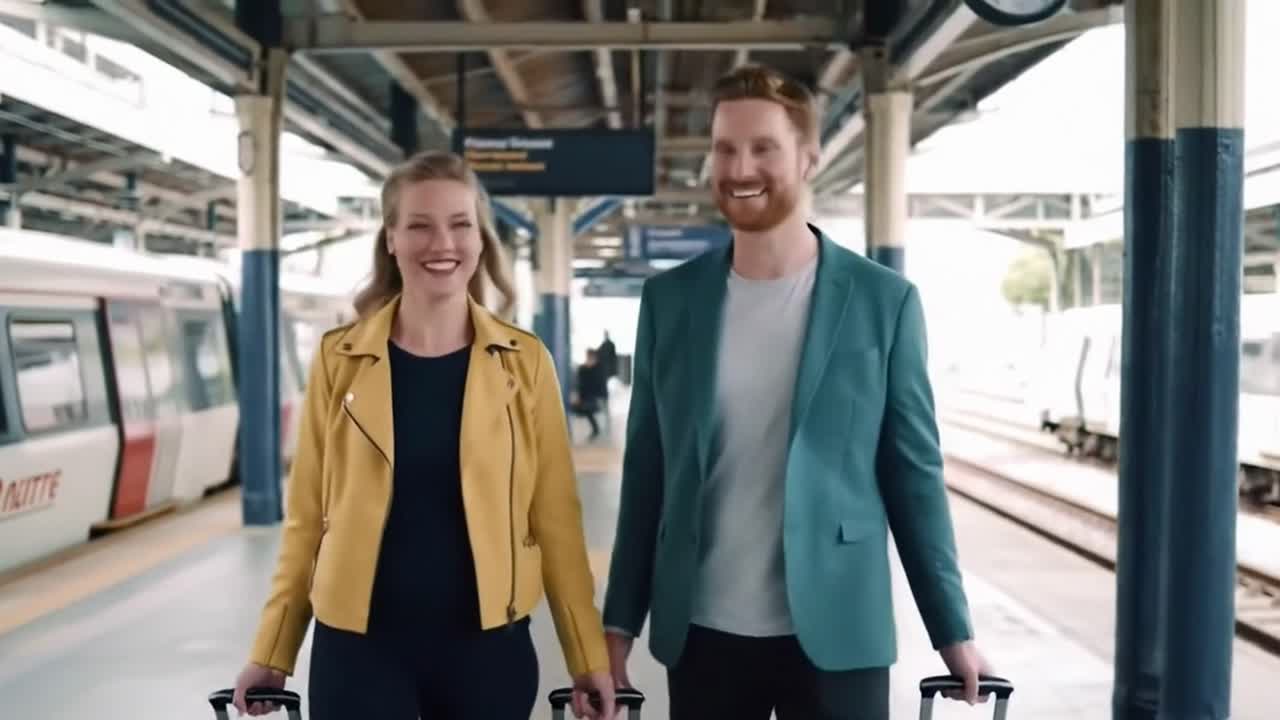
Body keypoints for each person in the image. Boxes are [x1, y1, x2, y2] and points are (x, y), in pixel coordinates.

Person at [600, 64, 993, 719]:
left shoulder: (883, 303)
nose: (740, 166)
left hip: (841, 632)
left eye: (763, 148)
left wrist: (952, 632)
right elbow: (648, 473)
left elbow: (912, 475)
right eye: (725, 149)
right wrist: (617, 629)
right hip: (702, 635)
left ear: (808, 159)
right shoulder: (669, 302)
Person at [230, 150, 615, 720]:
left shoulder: (524, 362)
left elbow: (555, 519)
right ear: (391, 239)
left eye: (461, 224)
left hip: (488, 649)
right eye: (419, 225)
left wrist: (588, 657)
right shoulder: (340, 359)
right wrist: (273, 649)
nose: (443, 243)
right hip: (358, 650)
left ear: (481, 240)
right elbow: (308, 517)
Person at [570, 348, 609, 439]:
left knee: (600, 412)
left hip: (597, 396)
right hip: (588, 397)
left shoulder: (599, 368)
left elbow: (598, 384)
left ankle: (600, 431)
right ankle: (596, 429)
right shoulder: (583, 369)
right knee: (584, 409)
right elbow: (581, 385)